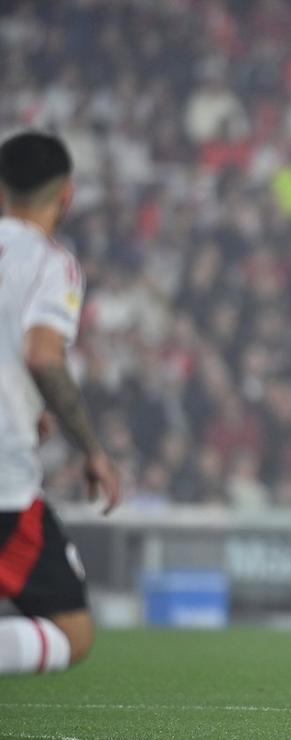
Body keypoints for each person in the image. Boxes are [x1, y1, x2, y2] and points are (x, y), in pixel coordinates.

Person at [0, 131, 122, 676]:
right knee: (72, 632)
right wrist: (92, 449)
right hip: (5, 478)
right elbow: (44, 355)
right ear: (66, 195)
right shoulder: (52, 263)